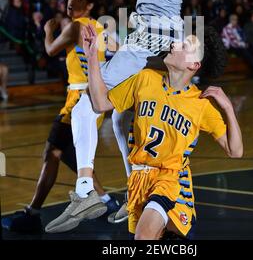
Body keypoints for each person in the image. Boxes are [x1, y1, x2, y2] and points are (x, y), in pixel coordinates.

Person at [45, 0, 213, 231]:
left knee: (86, 106)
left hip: (154, 40)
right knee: (121, 119)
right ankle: (136, 190)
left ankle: (86, 189)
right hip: (153, 40)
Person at [80, 24, 243, 239]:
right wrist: (92, 56)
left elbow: (235, 151)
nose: (175, 44)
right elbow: (100, 103)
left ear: (194, 64)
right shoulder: (145, 79)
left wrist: (228, 109)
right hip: (139, 180)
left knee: (143, 237)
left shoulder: (199, 105)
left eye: (184, 45)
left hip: (170, 181)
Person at [2, 0, 119, 234]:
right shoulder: (101, 28)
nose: (70, 0)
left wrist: (46, 30)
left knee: (52, 152)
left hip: (77, 101)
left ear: (88, 5)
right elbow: (115, 56)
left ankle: (32, 214)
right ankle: (105, 201)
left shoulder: (77, 26)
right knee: (69, 154)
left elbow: (50, 51)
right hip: (96, 99)